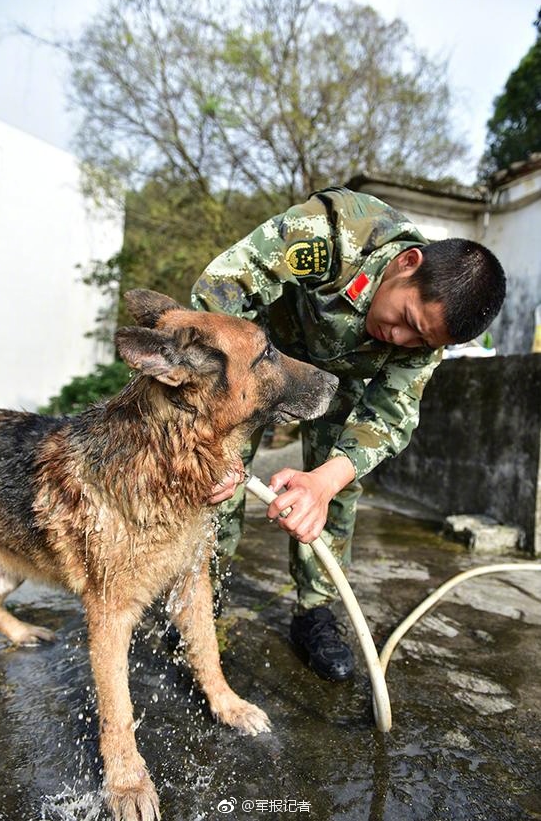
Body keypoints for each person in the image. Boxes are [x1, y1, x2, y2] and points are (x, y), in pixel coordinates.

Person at [191, 185, 506, 682]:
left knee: (334, 494)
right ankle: (201, 600)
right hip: (260, 362)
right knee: (217, 486)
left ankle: (314, 610)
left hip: (341, 381)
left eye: (419, 340)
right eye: (406, 320)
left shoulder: (427, 334)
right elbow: (220, 293)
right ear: (408, 263)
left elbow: (390, 414)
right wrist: (213, 435)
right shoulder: (332, 232)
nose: (400, 338)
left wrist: (324, 482)